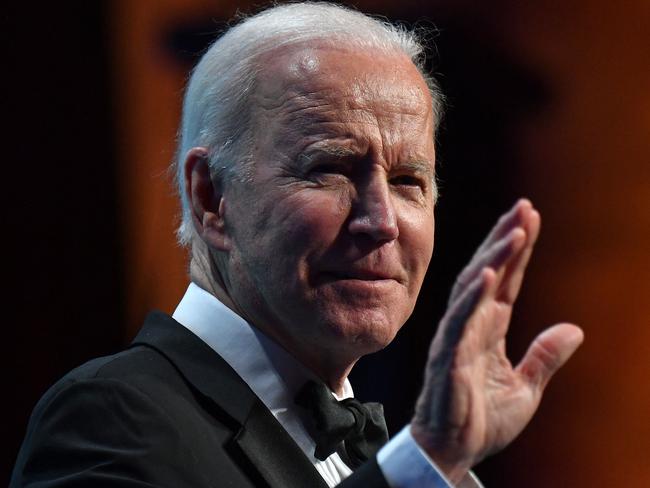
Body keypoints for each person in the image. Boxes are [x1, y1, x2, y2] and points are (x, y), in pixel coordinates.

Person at [11, 3, 584, 487]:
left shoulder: (369, 455)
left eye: (409, 181)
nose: (381, 221)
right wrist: (425, 458)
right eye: (330, 169)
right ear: (212, 198)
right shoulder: (110, 417)